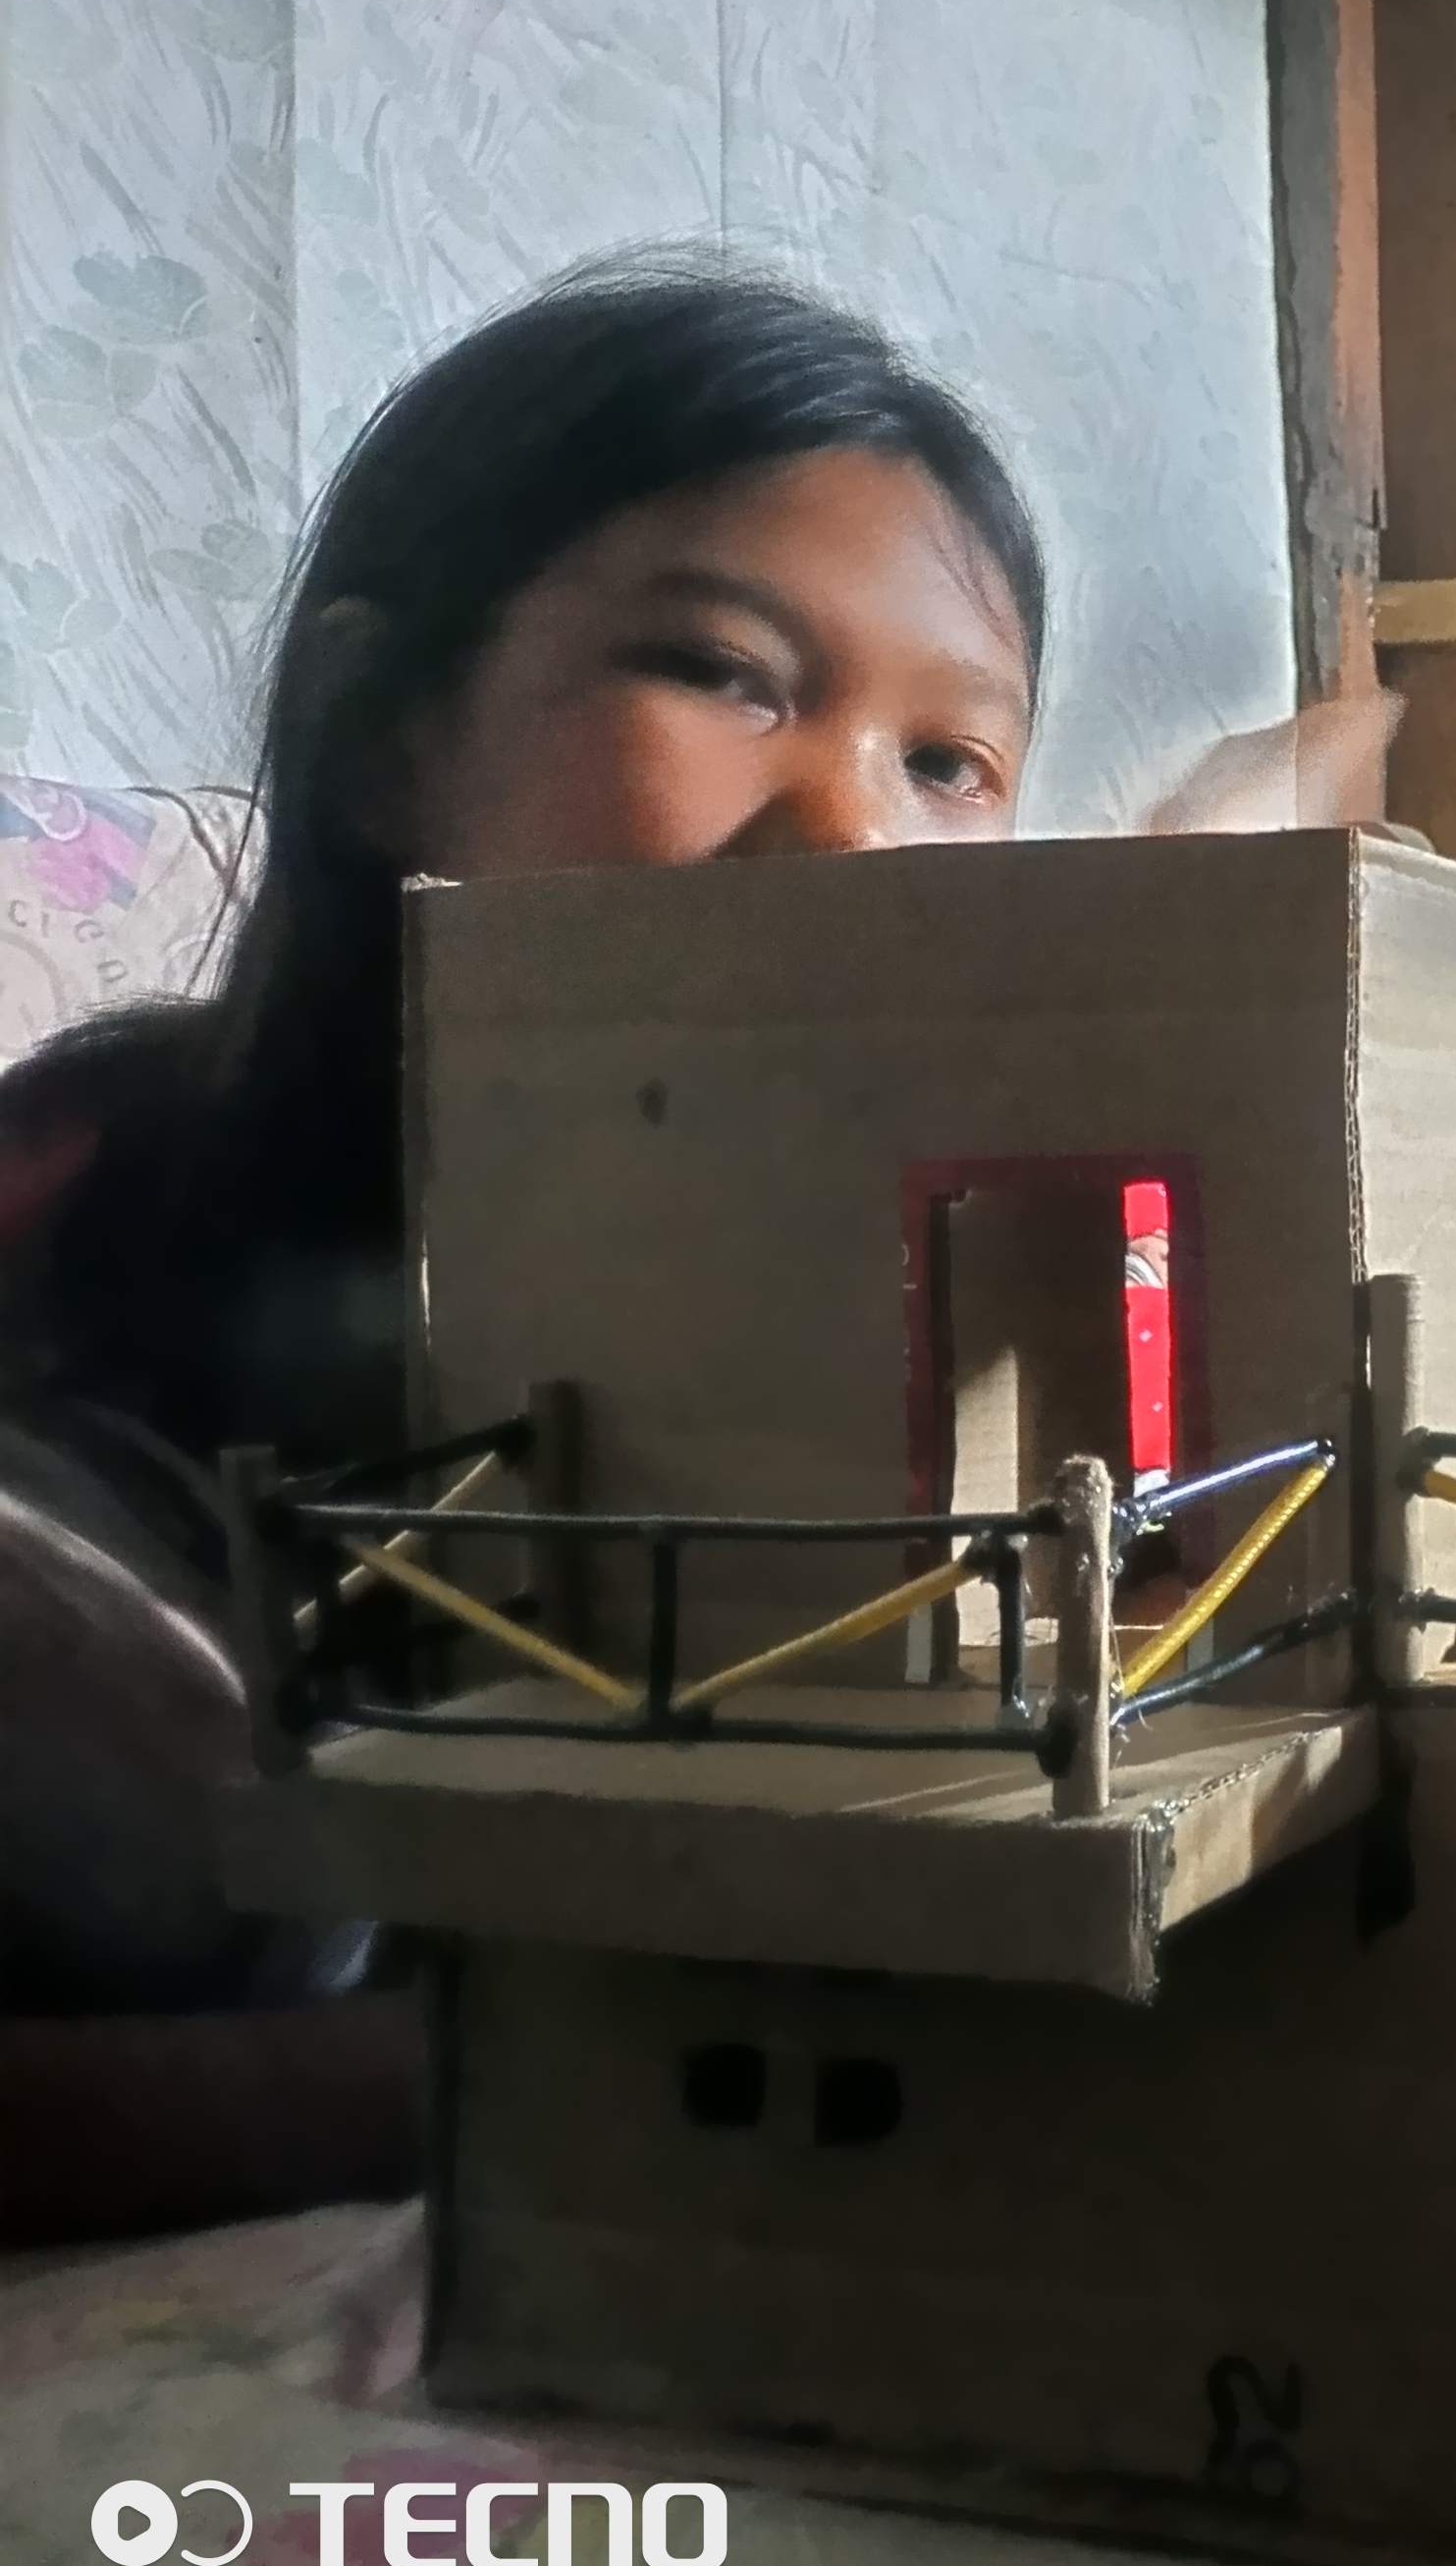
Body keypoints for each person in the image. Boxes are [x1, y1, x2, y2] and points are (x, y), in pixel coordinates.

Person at [0, 263, 1049, 2243]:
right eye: (728, 674)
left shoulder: (979, 1298)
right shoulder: (84, 1203)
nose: (853, 834)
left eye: (951, 763)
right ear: (384, 731)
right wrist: (475, 2066)